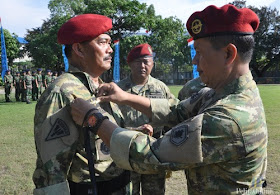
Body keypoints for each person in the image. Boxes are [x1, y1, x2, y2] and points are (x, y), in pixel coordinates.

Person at [70, 4, 268, 194]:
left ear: (228, 54)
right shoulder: (219, 93)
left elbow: (149, 155)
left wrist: (93, 119)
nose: (193, 60)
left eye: (199, 52)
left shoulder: (229, 117)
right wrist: (125, 97)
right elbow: (176, 111)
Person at [32, 14, 132, 194]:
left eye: (110, 43)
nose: (110, 49)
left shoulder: (101, 86)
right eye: (103, 42)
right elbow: (51, 169)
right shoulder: (61, 92)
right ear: (79, 49)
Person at [118, 43, 176, 195]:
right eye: (138, 62)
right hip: (127, 153)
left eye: (146, 62)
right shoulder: (119, 89)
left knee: (155, 192)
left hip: (154, 153)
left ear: (152, 64)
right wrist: (135, 131)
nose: (142, 66)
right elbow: (112, 121)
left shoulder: (161, 88)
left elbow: (173, 116)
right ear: (130, 64)